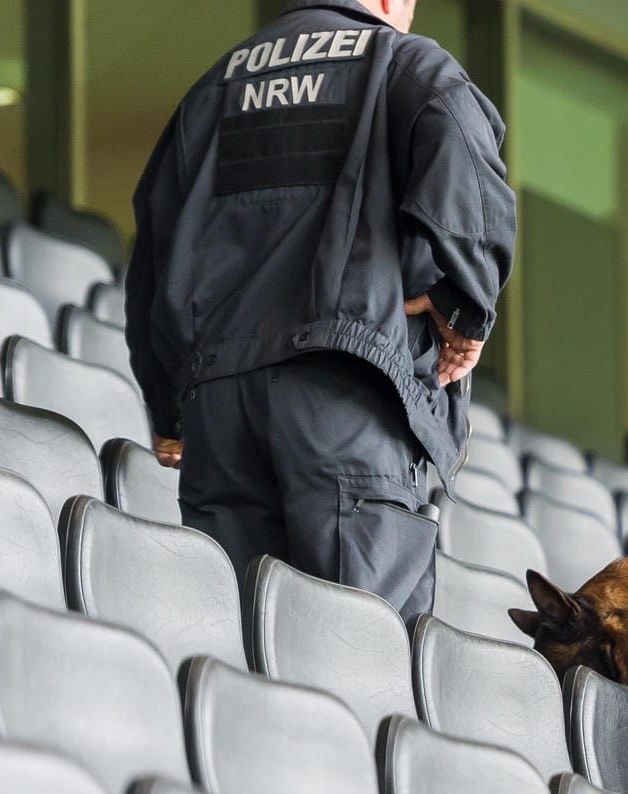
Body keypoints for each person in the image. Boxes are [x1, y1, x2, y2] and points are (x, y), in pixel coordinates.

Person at [124, 0, 515, 621]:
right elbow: (466, 153)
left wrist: (169, 409)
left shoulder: (213, 87)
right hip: (343, 396)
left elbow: (153, 249)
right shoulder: (403, 62)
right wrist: (463, 306)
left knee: (240, 643)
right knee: (353, 651)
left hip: (219, 407)